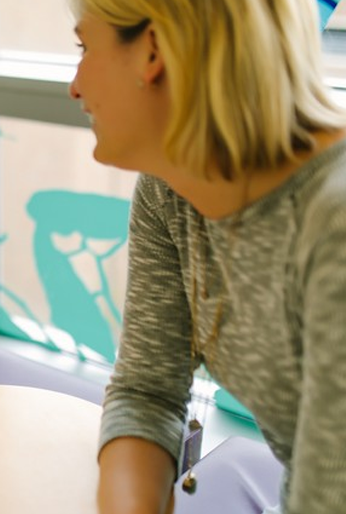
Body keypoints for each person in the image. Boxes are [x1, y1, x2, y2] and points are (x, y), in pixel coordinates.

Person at [68, 1, 346, 513]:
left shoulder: (335, 224)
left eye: (85, 47)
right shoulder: (169, 190)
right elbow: (146, 391)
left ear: (152, 49)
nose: (74, 86)